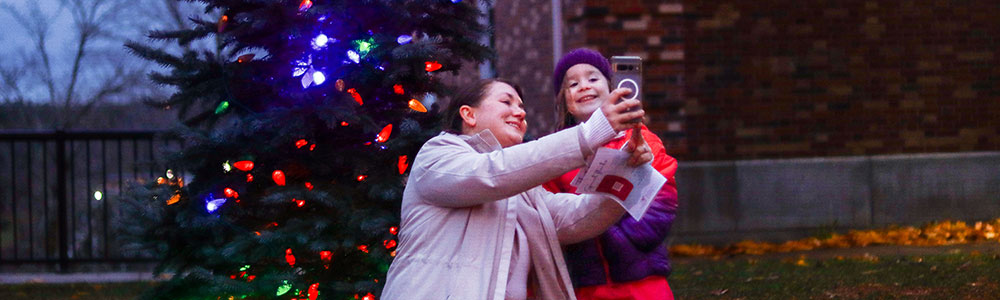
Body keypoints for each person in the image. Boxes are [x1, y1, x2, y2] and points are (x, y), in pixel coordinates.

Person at [382, 78, 651, 300]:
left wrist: (627, 171)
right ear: (468, 114)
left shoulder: (524, 186)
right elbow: (491, 173)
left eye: (522, 107)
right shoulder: (437, 155)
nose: (520, 112)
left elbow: (573, 219)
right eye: (506, 102)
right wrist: (589, 133)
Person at [544, 48, 679, 300]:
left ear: (611, 88)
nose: (584, 86)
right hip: (586, 284)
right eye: (573, 83)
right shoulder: (557, 152)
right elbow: (549, 214)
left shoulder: (641, 140)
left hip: (643, 281)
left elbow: (662, 202)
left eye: (593, 78)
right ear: (564, 101)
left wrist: (605, 231)